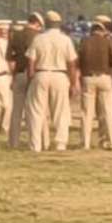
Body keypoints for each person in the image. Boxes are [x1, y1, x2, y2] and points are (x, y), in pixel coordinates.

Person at [25, 11, 79, 152]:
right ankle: (61, 143)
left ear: (47, 23)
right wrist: (73, 83)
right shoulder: (65, 40)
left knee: (36, 111)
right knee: (61, 111)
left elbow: (31, 60)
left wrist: (31, 78)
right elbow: (72, 63)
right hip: (60, 75)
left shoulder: (38, 39)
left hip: (41, 73)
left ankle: (35, 144)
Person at [77, 21, 112, 150]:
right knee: (107, 111)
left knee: (87, 112)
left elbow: (78, 60)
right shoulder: (107, 42)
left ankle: (85, 142)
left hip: (88, 77)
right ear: (102, 31)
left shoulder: (84, 42)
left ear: (92, 31)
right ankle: (111, 141)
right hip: (104, 77)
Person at [7, 13, 42, 148]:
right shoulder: (37, 37)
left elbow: (10, 58)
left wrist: (13, 74)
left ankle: (13, 141)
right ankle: (40, 141)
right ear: (38, 24)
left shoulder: (16, 36)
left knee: (16, 110)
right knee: (36, 110)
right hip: (33, 73)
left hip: (19, 73)